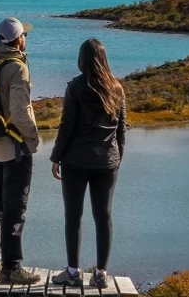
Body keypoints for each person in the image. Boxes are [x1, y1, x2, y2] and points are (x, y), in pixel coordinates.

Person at [49, 38, 127, 290]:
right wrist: (117, 158)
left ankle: (72, 272)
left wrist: (56, 157)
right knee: (103, 217)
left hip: (75, 161)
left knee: (74, 216)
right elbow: (121, 130)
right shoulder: (117, 88)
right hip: (107, 162)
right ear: (104, 59)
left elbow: (67, 126)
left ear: (82, 60)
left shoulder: (75, 87)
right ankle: (101, 273)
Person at [0, 17, 42, 284]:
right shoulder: (17, 67)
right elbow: (20, 110)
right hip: (16, 146)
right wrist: (33, 138)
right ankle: (12, 268)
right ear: (18, 39)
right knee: (15, 208)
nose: (26, 38)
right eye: (24, 35)